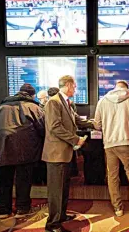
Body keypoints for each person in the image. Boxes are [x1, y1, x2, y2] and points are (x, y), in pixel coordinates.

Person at [42, 75, 94, 232]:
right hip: (55, 154)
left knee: (63, 188)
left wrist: (96, 123)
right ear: (69, 85)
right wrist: (75, 139)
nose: (76, 89)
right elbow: (55, 127)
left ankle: (61, 215)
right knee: (56, 190)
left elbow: (77, 120)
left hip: (64, 153)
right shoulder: (54, 102)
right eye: (75, 86)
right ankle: (52, 224)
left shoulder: (66, 102)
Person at [94, 80, 129, 218]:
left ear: (115, 87)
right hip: (128, 142)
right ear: (126, 88)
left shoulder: (103, 100)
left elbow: (97, 125)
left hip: (110, 143)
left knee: (112, 176)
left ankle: (118, 208)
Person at [0, 83, 45, 219]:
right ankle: (22, 208)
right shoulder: (33, 107)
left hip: (1, 148)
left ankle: (4, 211)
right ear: (32, 95)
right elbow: (42, 128)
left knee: (3, 181)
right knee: (23, 179)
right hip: (24, 149)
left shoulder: (0, 107)